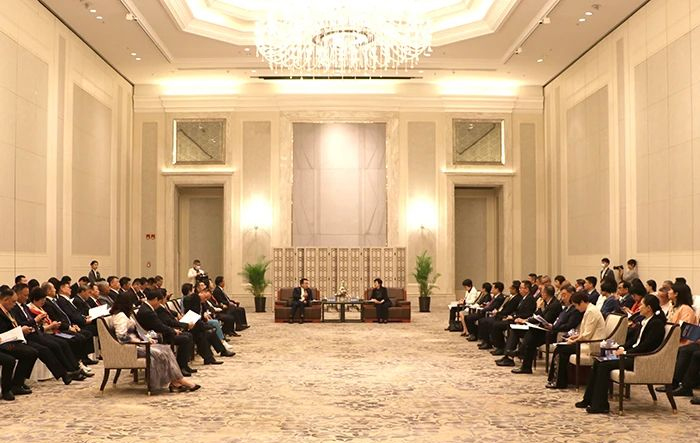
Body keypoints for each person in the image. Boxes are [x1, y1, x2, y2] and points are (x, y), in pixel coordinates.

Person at [576, 294, 666, 413]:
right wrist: (621, 347)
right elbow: (634, 341)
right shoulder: (644, 321)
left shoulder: (656, 324)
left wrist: (626, 352)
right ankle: (588, 399)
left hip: (639, 359)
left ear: (649, 308)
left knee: (604, 365)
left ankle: (600, 405)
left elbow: (646, 346)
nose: (639, 307)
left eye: (642, 305)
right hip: (631, 354)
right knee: (598, 361)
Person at [110, 293, 200, 393]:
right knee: (161, 353)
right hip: (131, 348)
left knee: (166, 349)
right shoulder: (120, 317)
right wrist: (141, 341)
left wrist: (145, 339)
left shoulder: (124, 315)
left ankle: (176, 381)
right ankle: (179, 380)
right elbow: (121, 337)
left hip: (136, 345)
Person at [512, 284, 582, 374]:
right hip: (551, 330)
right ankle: (523, 360)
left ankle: (521, 355)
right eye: (561, 295)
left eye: (564, 295)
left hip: (556, 334)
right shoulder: (566, 308)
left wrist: (553, 326)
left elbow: (569, 325)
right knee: (531, 336)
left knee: (531, 336)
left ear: (572, 294)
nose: (562, 297)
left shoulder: (573, 309)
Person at [546, 291, 606, 389]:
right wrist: (574, 337)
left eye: (576, 305)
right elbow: (585, 332)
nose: (576, 308)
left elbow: (587, 335)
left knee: (561, 349)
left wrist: (573, 341)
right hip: (586, 342)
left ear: (582, 302)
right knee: (560, 348)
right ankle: (556, 379)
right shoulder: (588, 310)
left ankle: (559, 382)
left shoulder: (591, 312)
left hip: (592, 345)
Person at [136, 290, 197, 376]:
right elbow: (159, 326)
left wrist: (173, 330)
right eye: (159, 302)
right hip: (157, 336)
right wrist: (173, 331)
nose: (160, 304)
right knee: (185, 338)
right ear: (156, 299)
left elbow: (160, 324)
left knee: (188, 335)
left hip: (158, 332)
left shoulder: (147, 308)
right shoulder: (147, 311)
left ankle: (184, 365)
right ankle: (180, 367)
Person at [0, 286, 38, 399]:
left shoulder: (9, 311)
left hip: (10, 340)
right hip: (3, 342)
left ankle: (18, 382)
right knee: (10, 360)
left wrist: (21, 331)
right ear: (5, 300)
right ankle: (7, 389)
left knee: (32, 352)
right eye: (13, 302)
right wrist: (20, 331)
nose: (14, 304)